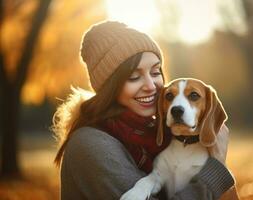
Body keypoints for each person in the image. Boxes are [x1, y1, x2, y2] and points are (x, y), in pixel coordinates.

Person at [52, 21, 235, 200]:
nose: (151, 86)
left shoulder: (159, 135)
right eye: (134, 76)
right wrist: (216, 167)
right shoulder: (90, 144)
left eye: (156, 73)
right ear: (110, 87)